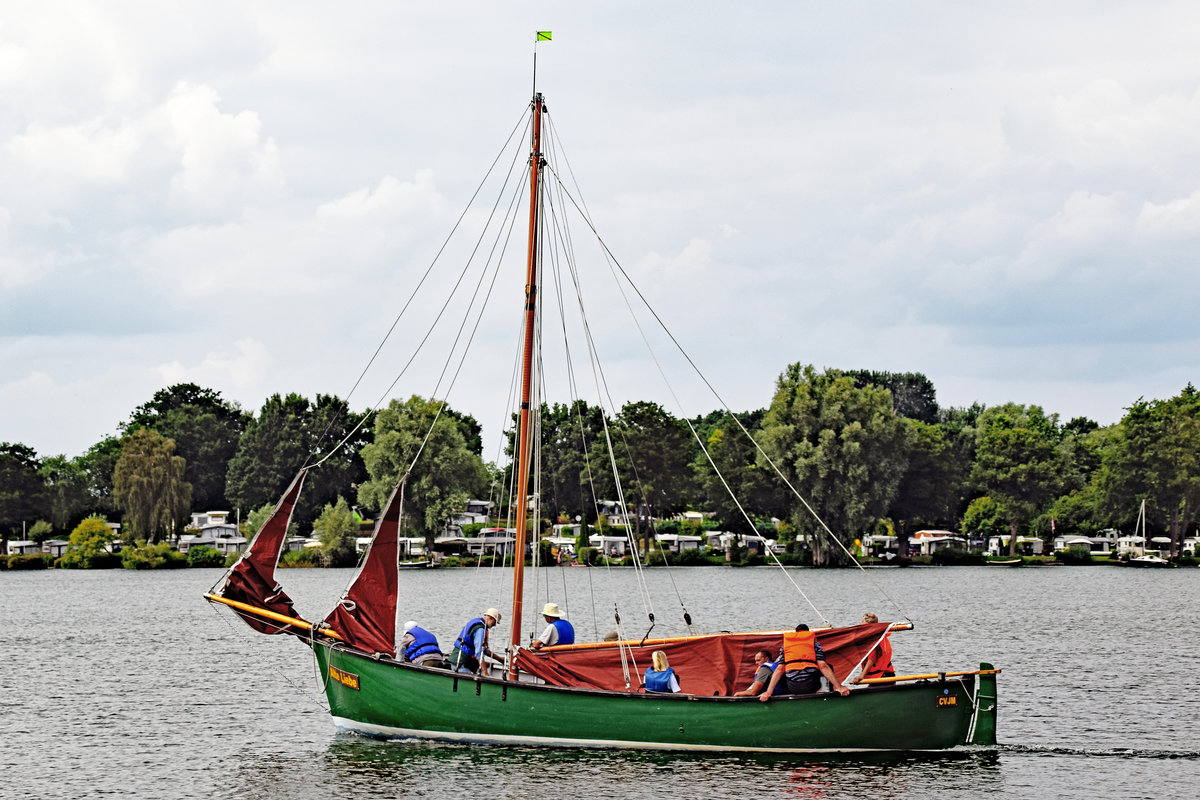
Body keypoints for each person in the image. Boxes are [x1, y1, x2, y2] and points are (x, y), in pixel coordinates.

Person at [760, 624, 850, 701]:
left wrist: (768, 692)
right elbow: (823, 666)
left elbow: (779, 670)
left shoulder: (786, 645)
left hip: (792, 686)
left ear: (796, 633)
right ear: (808, 632)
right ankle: (826, 696)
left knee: (782, 671)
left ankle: (785, 698)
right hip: (809, 685)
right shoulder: (814, 643)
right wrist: (839, 687)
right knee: (828, 666)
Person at [448, 608, 502, 674]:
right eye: (495, 622)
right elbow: (479, 652)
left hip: (458, 662)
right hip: (462, 664)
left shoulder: (478, 623)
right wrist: (485, 673)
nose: (494, 625)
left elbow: (485, 650)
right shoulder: (480, 629)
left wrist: (499, 659)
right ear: (491, 618)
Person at [851, 612, 896, 684]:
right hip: (878, 676)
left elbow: (872, 659)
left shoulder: (875, 640)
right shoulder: (872, 638)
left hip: (883, 677)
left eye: (863, 626)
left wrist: (861, 676)